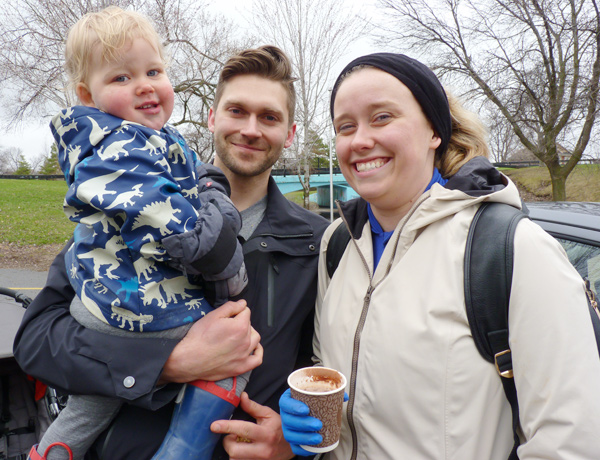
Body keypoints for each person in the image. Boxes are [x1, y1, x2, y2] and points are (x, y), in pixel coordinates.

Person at [279, 53, 600, 459]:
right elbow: (330, 370)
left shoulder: (511, 249)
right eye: (345, 126)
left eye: (382, 118)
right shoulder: (338, 246)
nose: (359, 140)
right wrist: (313, 432)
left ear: (434, 129)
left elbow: (572, 443)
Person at [14, 44, 328, 460]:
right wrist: (166, 363)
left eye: (269, 117)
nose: (251, 129)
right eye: (237, 111)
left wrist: (294, 443)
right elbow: (37, 341)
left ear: (289, 133)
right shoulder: (127, 203)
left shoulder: (318, 243)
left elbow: (324, 369)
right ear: (213, 117)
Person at [31, 6, 252, 460]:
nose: (145, 85)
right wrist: (218, 206)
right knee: (239, 352)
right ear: (87, 95)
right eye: (122, 78)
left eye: (154, 71)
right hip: (141, 309)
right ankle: (180, 451)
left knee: (92, 403)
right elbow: (192, 240)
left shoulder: (151, 141)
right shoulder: (122, 147)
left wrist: (208, 184)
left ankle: (50, 452)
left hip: (104, 304)